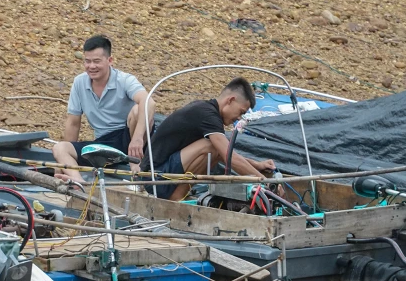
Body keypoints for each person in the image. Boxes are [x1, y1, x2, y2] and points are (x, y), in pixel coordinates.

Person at [141, 77, 276, 201]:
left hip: (164, 173)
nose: (239, 118)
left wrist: (256, 165)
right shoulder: (208, 115)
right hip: (155, 178)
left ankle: (179, 195)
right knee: (212, 147)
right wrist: (266, 184)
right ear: (230, 100)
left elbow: (227, 155)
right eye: (241, 112)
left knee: (216, 150)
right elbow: (230, 157)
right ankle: (176, 199)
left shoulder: (208, 111)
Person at [52, 35, 155, 182]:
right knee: (60, 148)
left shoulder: (125, 80)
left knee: (138, 110)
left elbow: (149, 102)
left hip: (129, 135)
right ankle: (79, 184)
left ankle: (136, 165)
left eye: (96, 61)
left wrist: (137, 138)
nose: (91, 66)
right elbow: (73, 123)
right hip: (104, 142)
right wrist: (64, 160)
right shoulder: (79, 82)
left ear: (110, 61)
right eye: (87, 61)